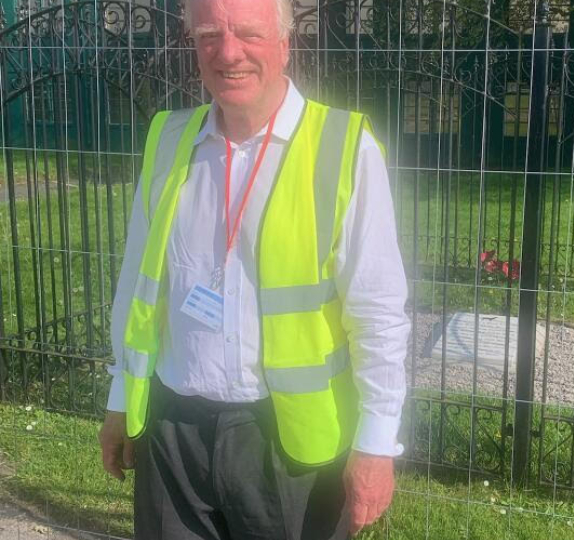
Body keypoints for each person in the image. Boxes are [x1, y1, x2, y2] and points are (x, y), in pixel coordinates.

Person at [97, 0, 410, 537]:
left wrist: (377, 444)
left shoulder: (344, 147)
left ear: (286, 43)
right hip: (174, 428)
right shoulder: (168, 139)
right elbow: (139, 283)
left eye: (248, 33)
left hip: (287, 446)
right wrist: (122, 399)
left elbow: (378, 308)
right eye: (209, 35)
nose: (228, 52)